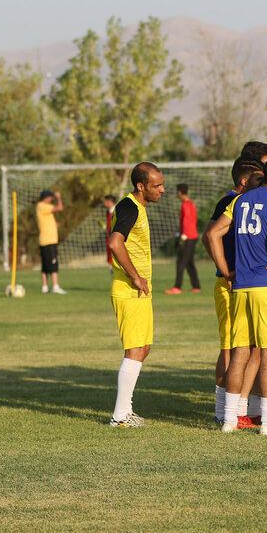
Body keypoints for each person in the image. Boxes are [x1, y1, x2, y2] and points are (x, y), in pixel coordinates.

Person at [206, 153, 267, 435]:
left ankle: (229, 421)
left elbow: (212, 234)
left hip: (242, 287)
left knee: (241, 353)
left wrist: (226, 271)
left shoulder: (240, 200)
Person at [205, 158, 264, 426]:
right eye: (258, 177)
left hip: (245, 283)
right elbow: (210, 235)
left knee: (249, 346)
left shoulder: (252, 203)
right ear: (244, 180)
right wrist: (225, 270)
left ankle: (239, 409)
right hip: (230, 284)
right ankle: (223, 411)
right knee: (232, 347)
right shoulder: (231, 201)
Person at [106, 163, 167, 427]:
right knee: (134, 349)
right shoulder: (129, 206)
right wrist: (133, 275)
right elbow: (114, 243)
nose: (162, 190)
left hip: (139, 291)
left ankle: (126, 411)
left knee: (143, 348)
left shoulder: (139, 207)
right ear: (141, 186)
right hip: (128, 290)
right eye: (156, 185)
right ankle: (120, 415)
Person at [166, 184, 201, 294]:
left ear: (180, 192)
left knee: (181, 262)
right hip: (192, 236)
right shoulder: (191, 203)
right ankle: (196, 287)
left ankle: (177, 287)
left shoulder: (185, 205)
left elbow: (186, 222)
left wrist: (183, 236)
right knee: (189, 263)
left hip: (188, 237)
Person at [36, 190, 65, 293]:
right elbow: (60, 208)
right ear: (46, 197)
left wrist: (54, 224)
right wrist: (58, 198)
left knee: (45, 265)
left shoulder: (42, 208)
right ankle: (55, 286)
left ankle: (44, 287)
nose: (51, 199)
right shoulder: (43, 206)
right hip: (49, 240)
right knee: (53, 263)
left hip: (44, 240)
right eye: (50, 198)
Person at [101, 195, 118, 272]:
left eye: (104, 201)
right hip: (109, 241)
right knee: (111, 265)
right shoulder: (108, 212)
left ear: (109, 202)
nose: (103, 203)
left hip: (115, 243)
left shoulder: (116, 212)